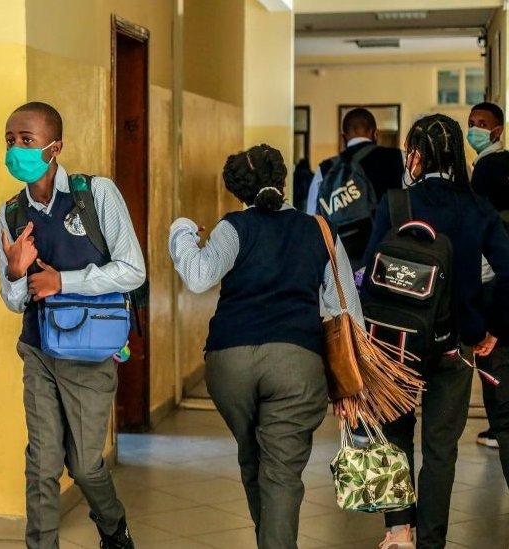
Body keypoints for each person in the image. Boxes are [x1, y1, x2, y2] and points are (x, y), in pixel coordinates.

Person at [169, 144, 363, 549]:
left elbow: (199, 276)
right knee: (281, 472)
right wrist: (351, 384)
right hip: (297, 363)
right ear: (283, 179)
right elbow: (345, 307)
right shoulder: (319, 229)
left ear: (238, 191)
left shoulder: (234, 227)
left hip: (229, 363)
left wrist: (182, 231)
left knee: (253, 456)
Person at [0, 102, 145, 549]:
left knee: (84, 466)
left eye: (27, 141)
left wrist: (64, 280)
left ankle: (113, 527)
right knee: (41, 464)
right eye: (9, 140)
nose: (15, 149)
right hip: (39, 349)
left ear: (54, 148)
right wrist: (16, 274)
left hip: (90, 351)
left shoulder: (95, 194)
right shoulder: (9, 214)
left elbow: (132, 269)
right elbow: (11, 300)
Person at [363, 114, 509, 549]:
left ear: (416, 155)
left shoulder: (395, 204)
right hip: (455, 347)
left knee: (394, 439)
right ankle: (431, 539)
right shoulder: (476, 205)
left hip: (395, 347)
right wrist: (492, 328)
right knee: (442, 449)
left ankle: (398, 530)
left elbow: (366, 274)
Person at [306, 108, 405, 267]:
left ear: (343, 137)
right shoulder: (399, 158)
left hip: (344, 263)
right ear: (375, 134)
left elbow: (312, 219)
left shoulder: (325, 169)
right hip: (390, 258)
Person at [467, 102, 509, 476]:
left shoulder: (487, 170)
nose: (476, 129)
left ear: (497, 131)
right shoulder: (498, 164)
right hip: (501, 270)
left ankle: (498, 426)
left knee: (489, 354)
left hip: (490, 272)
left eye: (483, 124)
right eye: (472, 123)